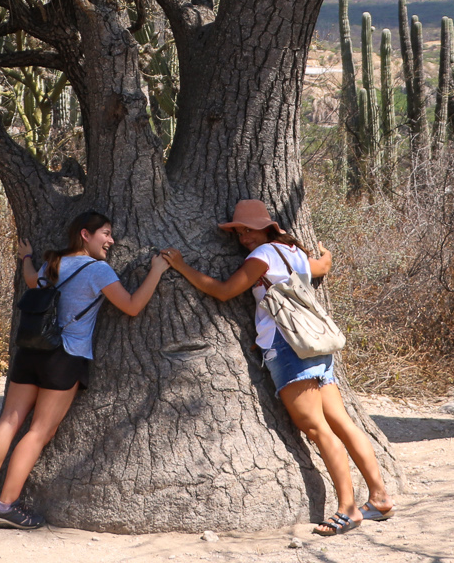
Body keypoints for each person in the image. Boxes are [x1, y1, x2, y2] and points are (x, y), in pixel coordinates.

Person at [160, 199, 393, 536]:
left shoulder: (262, 257)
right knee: (340, 422)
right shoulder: (293, 253)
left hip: (288, 346)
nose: (243, 237)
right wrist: (326, 255)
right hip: (316, 343)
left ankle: (348, 509)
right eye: (239, 232)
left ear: (266, 228)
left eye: (249, 229)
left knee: (315, 428)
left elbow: (225, 291)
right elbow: (321, 268)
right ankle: (380, 497)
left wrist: (181, 267)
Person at [0, 210, 169, 529]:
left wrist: (26, 257)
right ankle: (5, 505)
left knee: (10, 420)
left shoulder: (54, 263)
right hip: (64, 355)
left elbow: (30, 280)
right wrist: (157, 271)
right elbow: (131, 306)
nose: (111, 240)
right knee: (38, 432)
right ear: (85, 234)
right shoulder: (98, 270)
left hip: (30, 351)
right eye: (105, 233)